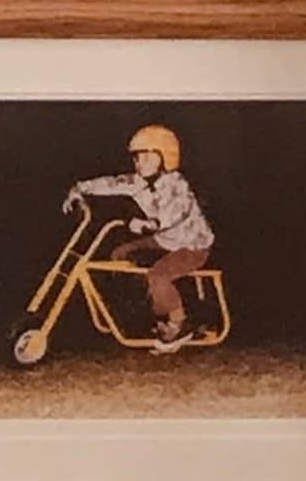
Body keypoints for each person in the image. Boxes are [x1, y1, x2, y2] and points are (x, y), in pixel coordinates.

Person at [72, 123, 218, 349]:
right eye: (138, 158)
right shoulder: (139, 182)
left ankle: (179, 323)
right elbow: (112, 183)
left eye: (148, 158)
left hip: (192, 245)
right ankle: (148, 311)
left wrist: (149, 224)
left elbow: (174, 214)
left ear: (165, 158)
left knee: (158, 275)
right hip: (163, 241)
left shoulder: (177, 184)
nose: (141, 164)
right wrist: (79, 189)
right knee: (120, 253)